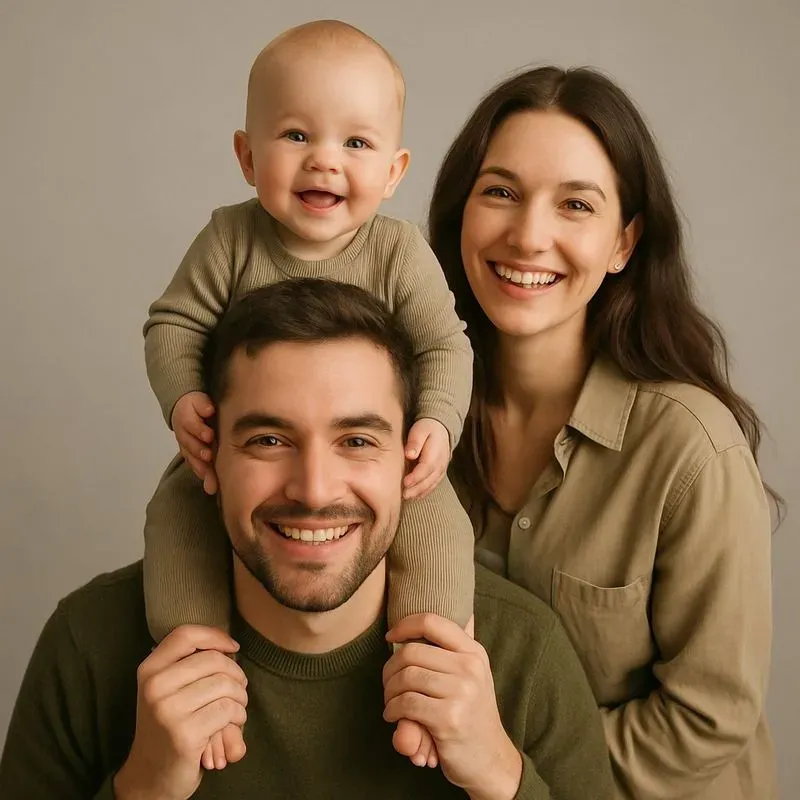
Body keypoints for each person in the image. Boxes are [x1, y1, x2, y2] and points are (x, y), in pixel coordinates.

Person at [0, 280, 615, 800]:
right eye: (268, 440)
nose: (314, 489)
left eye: (357, 441)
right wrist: (141, 787)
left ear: (411, 463)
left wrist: (502, 776)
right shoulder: (89, 644)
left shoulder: (524, 655)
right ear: (207, 458)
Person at [428, 66, 778, 799]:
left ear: (624, 243)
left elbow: (708, 718)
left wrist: (507, 764)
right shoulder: (410, 418)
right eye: (500, 193)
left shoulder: (692, 450)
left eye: (576, 205)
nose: (529, 236)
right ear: (461, 211)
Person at [142, 20, 474, 766]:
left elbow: (444, 344)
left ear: (394, 171)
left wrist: (438, 422)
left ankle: (432, 679)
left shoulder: (397, 251)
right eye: (296, 135)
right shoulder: (231, 238)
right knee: (175, 517)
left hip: (380, 466)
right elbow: (173, 324)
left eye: (356, 143)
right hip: (237, 461)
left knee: (441, 530)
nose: (325, 159)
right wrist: (184, 399)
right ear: (246, 156)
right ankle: (199, 680)